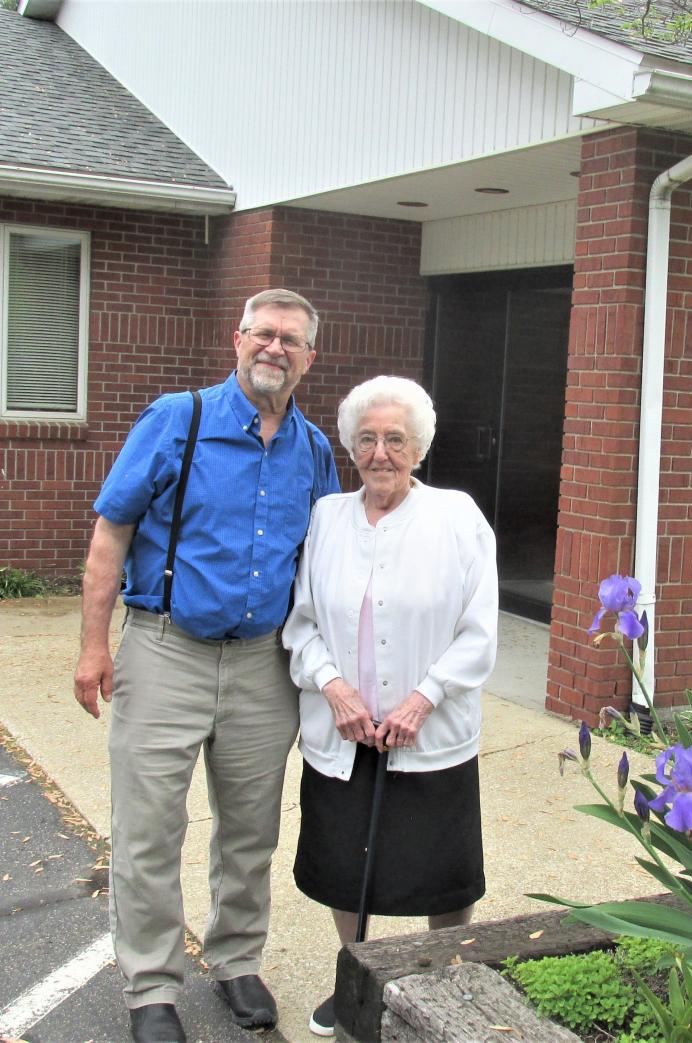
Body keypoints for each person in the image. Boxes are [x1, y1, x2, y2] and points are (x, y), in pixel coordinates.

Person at [73, 289, 340, 1043]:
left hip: (264, 664)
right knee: (149, 828)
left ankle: (235, 959)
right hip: (165, 653)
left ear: (308, 358)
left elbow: (329, 565)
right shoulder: (176, 419)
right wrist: (95, 645)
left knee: (250, 830)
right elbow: (109, 536)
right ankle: (152, 983)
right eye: (263, 334)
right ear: (238, 339)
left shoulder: (315, 450)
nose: (274, 349)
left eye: (291, 339)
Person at [282, 375, 498, 1037]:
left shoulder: (457, 516)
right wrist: (333, 687)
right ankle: (357, 981)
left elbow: (479, 629)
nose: (381, 452)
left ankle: (444, 977)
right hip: (343, 729)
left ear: (418, 447)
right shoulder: (327, 518)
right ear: (352, 446)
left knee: (446, 870)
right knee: (344, 866)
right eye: (369, 438)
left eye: (395, 439)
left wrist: (421, 699)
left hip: (427, 732)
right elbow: (301, 622)